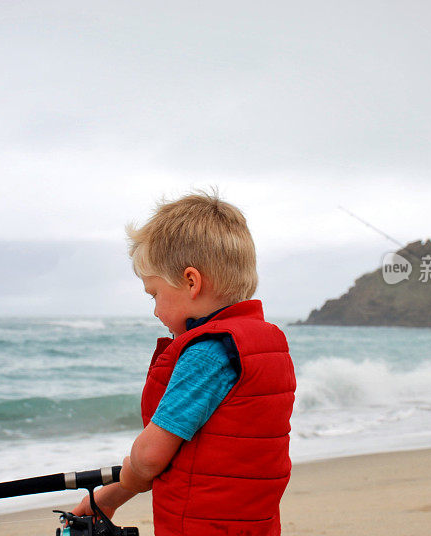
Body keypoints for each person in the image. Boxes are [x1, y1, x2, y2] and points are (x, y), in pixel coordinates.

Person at [71, 192, 296, 535]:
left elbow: (149, 457)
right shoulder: (263, 344)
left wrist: (122, 483)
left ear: (192, 282)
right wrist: (110, 498)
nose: (155, 310)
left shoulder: (208, 354)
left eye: (155, 294)